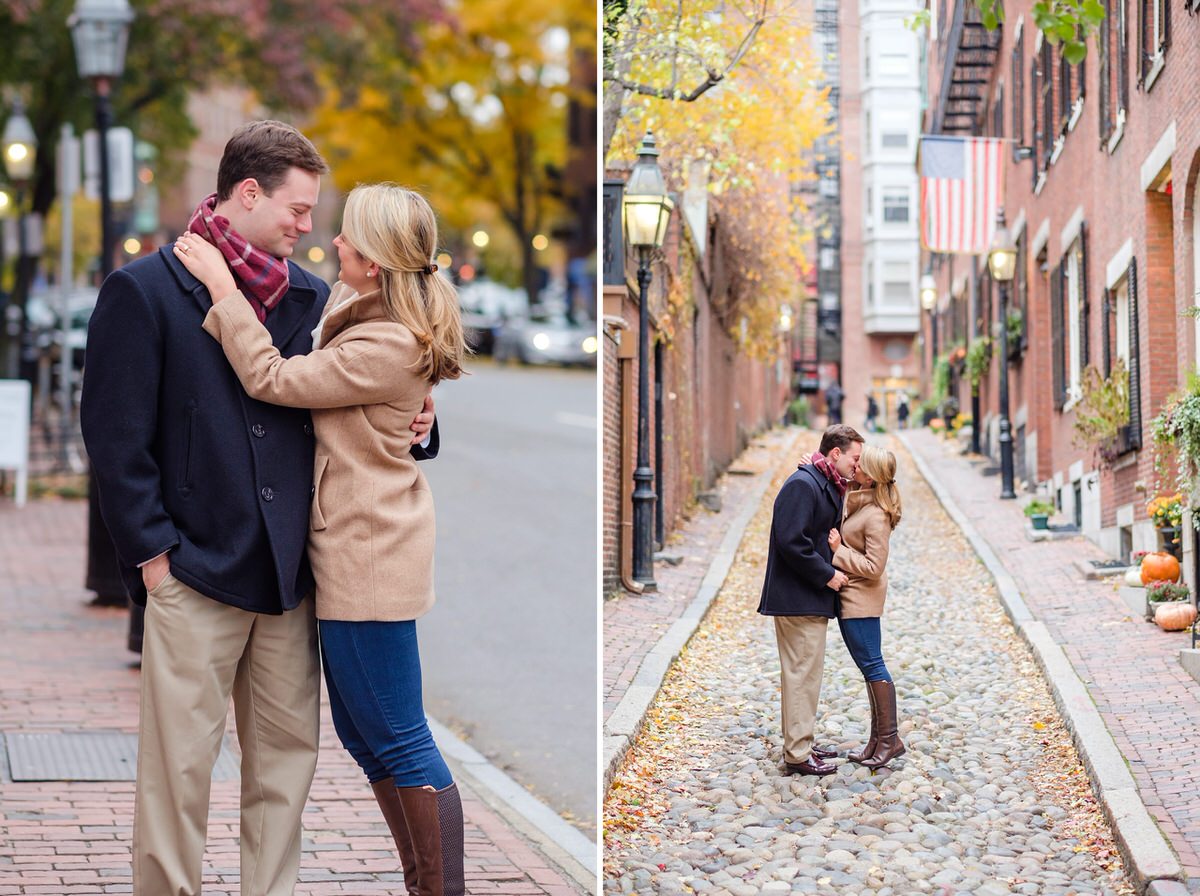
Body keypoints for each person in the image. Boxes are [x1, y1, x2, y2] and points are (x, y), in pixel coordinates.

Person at [80, 121, 435, 896]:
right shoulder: (144, 291)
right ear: (248, 194)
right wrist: (152, 556)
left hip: (290, 580)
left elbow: (366, 393)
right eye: (298, 210)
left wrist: (424, 420)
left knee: (284, 776)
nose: (308, 229)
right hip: (193, 573)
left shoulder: (316, 301)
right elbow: (113, 437)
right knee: (176, 776)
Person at [175, 182, 468, 894]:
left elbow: (272, 377)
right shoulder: (361, 308)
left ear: (375, 259)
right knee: (370, 740)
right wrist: (417, 416)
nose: (330, 240)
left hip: (367, 559)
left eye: (345, 235)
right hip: (356, 551)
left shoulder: (386, 338)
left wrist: (221, 285)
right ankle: (421, 884)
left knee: (397, 737)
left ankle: (440, 888)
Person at [757, 424, 864, 776]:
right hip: (796, 598)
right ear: (836, 453)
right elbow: (792, 542)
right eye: (855, 458)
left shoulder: (825, 481)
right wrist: (828, 574)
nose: (857, 466)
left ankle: (801, 740)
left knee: (806, 675)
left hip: (807, 598)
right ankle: (798, 753)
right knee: (802, 675)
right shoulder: (804, 485)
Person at [828, 444, 905, 769]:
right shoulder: (861, 501)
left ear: (871, 477)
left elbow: (874, 566)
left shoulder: (875, 516)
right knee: (869, 668)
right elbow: (834, 476)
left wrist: (837, 550)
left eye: (860, 464)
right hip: (852, 598)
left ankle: (890, 739)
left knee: (874, 666)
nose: (854, 466)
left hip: (861, 599)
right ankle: (878, 740)